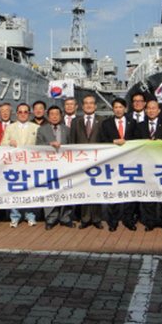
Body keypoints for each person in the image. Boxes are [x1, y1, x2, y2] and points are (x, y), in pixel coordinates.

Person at [100, 98, 137, 231]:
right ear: (113, 109)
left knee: (129, 191)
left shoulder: (133, 122)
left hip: (129, 162)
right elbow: (102, 140)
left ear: (125, 109)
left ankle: (128, 220)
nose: (118, 109)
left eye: (121, 107)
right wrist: (113, 141)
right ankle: (113, 221)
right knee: (113, 191)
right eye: (116, 107)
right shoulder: (106, 124)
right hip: (113, 162)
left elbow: (137, 140)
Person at [1, 103, 40, 227]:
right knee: (15, 190)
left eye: (25, 112)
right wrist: (9, 142)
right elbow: (2, 144)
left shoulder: (36, 127)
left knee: (31, 190)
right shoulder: (10, 128)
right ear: (16, 114)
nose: (23, 114)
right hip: (15, 164)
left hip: (31, 164)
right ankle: (15, 216)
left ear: (29, 114)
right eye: (20, 112)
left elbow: (41, 145)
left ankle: (30, 216)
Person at [133, 100, 162, 231]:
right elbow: (134, 142)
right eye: (148, 108)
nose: (151, 110)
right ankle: (150, 221)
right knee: (149, 195)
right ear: (145, 110)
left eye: (154, 108)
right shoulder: (140, 126)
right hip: (146, 164)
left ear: (159, 110)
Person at [37, 106, 74, 229]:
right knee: (50, 192)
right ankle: (51, 218)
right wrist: (49, 145)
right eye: (51, 114)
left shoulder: (67, 129)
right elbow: (38, 146)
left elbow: (72, 146)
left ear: (60, 116)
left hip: (64, 166)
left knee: (66, 190)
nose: (54, 116)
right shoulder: (42, 130)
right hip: (49, 166)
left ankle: (66, 217)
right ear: (48, 116)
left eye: (56, 114)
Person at [70, 95, 103, 229]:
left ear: (95, 106)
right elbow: (72, 141)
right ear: (82, 106)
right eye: (86, 103)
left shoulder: (102, 121)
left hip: (97, 161)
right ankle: (85, 218)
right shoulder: (76, 122)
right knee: (83, 189)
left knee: (96, 189)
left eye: (91, 103)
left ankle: (97, 219)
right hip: (81, 160)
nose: (89, 106)